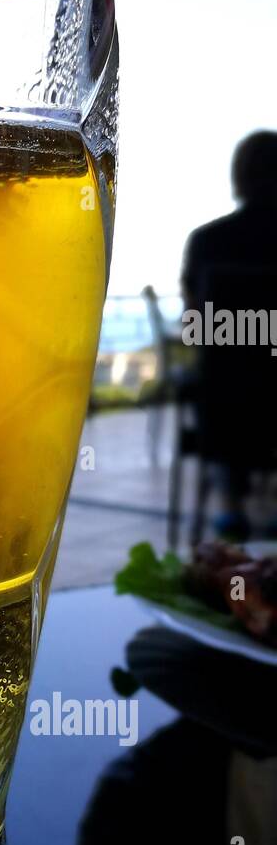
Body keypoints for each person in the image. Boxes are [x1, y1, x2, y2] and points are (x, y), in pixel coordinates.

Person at [181, 131, 277, 539]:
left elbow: (196, 328)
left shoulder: (207, 241)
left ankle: (230, 507)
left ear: (238, 177)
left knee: (217, 378)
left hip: (224, 410)